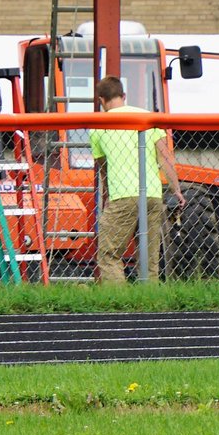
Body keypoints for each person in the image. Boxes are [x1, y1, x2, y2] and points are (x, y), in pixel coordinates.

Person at [88, 75, 179, 283]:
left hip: (123, 195)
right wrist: (176, 190)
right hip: (153, 195)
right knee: (149, 259)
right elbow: (165, 157)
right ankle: (149, 303)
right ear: (124, 95)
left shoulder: (98, 126)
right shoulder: (148, 118)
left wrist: (108, 196)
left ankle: (120, 304)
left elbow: (104, 169)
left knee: (109, 255)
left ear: (101, 100)